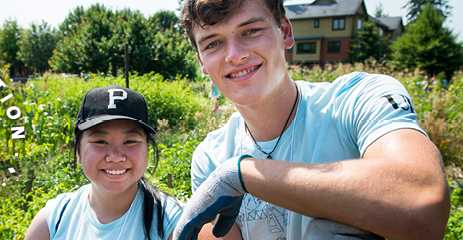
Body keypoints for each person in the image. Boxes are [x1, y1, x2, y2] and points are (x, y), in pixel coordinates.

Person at [172, 0, 450, 239]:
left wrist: (239, 174)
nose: (235, 54)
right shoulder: (209, 156)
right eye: (214, 43)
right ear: (201, 62)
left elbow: (424, 207)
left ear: (285, 32)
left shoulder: (357, 100)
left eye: (251, 31)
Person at [24, 86, 183, 240]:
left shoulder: (174, 224)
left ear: (147, 149)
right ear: (78, 150)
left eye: (130, 141)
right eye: (100, 141)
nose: (115, 157)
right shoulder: (52, 222)